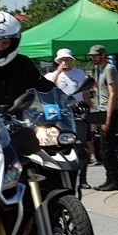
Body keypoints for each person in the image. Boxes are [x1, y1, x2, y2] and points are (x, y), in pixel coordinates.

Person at [43, 47, 94, 189]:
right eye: (62, 59)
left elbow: (84, 90)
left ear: (71, 60)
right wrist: (58, 71)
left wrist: (89, 106)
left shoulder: (79, 73)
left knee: (80, 145)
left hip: (76, 111)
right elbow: (48, 88)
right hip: (58, 113)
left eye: (67, 59)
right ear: (57, 61)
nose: (65, 61)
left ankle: (82, 180)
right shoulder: (51, 75)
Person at [88, 44, 118, 191]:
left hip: (109, 112)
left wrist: (108, 119)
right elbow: (103, 90)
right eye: (92, 56)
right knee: (104, 149)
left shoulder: (109, 68)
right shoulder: (101, 70)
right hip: (103, 111)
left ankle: (116, 180)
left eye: (96, 55)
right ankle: (110, 178)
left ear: (103, 55)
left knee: (107, 149)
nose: (93, 58)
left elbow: (113, 93)